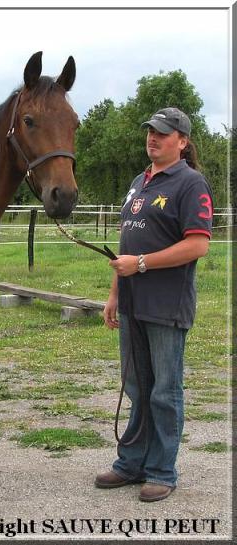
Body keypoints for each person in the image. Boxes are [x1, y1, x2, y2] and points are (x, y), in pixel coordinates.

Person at [95, 107, 213, 502]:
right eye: (150, 131)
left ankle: (162, 470)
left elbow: (197, 244)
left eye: (163, 133)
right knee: (137, 386)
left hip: (167, 306)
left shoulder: (190, 183)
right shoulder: (138, 182)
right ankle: (132, 463)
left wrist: (142, 265)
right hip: (132, 304)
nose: (153, 138)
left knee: (165, 391)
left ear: (182, 141)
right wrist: (114, 293)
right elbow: (126, 244)